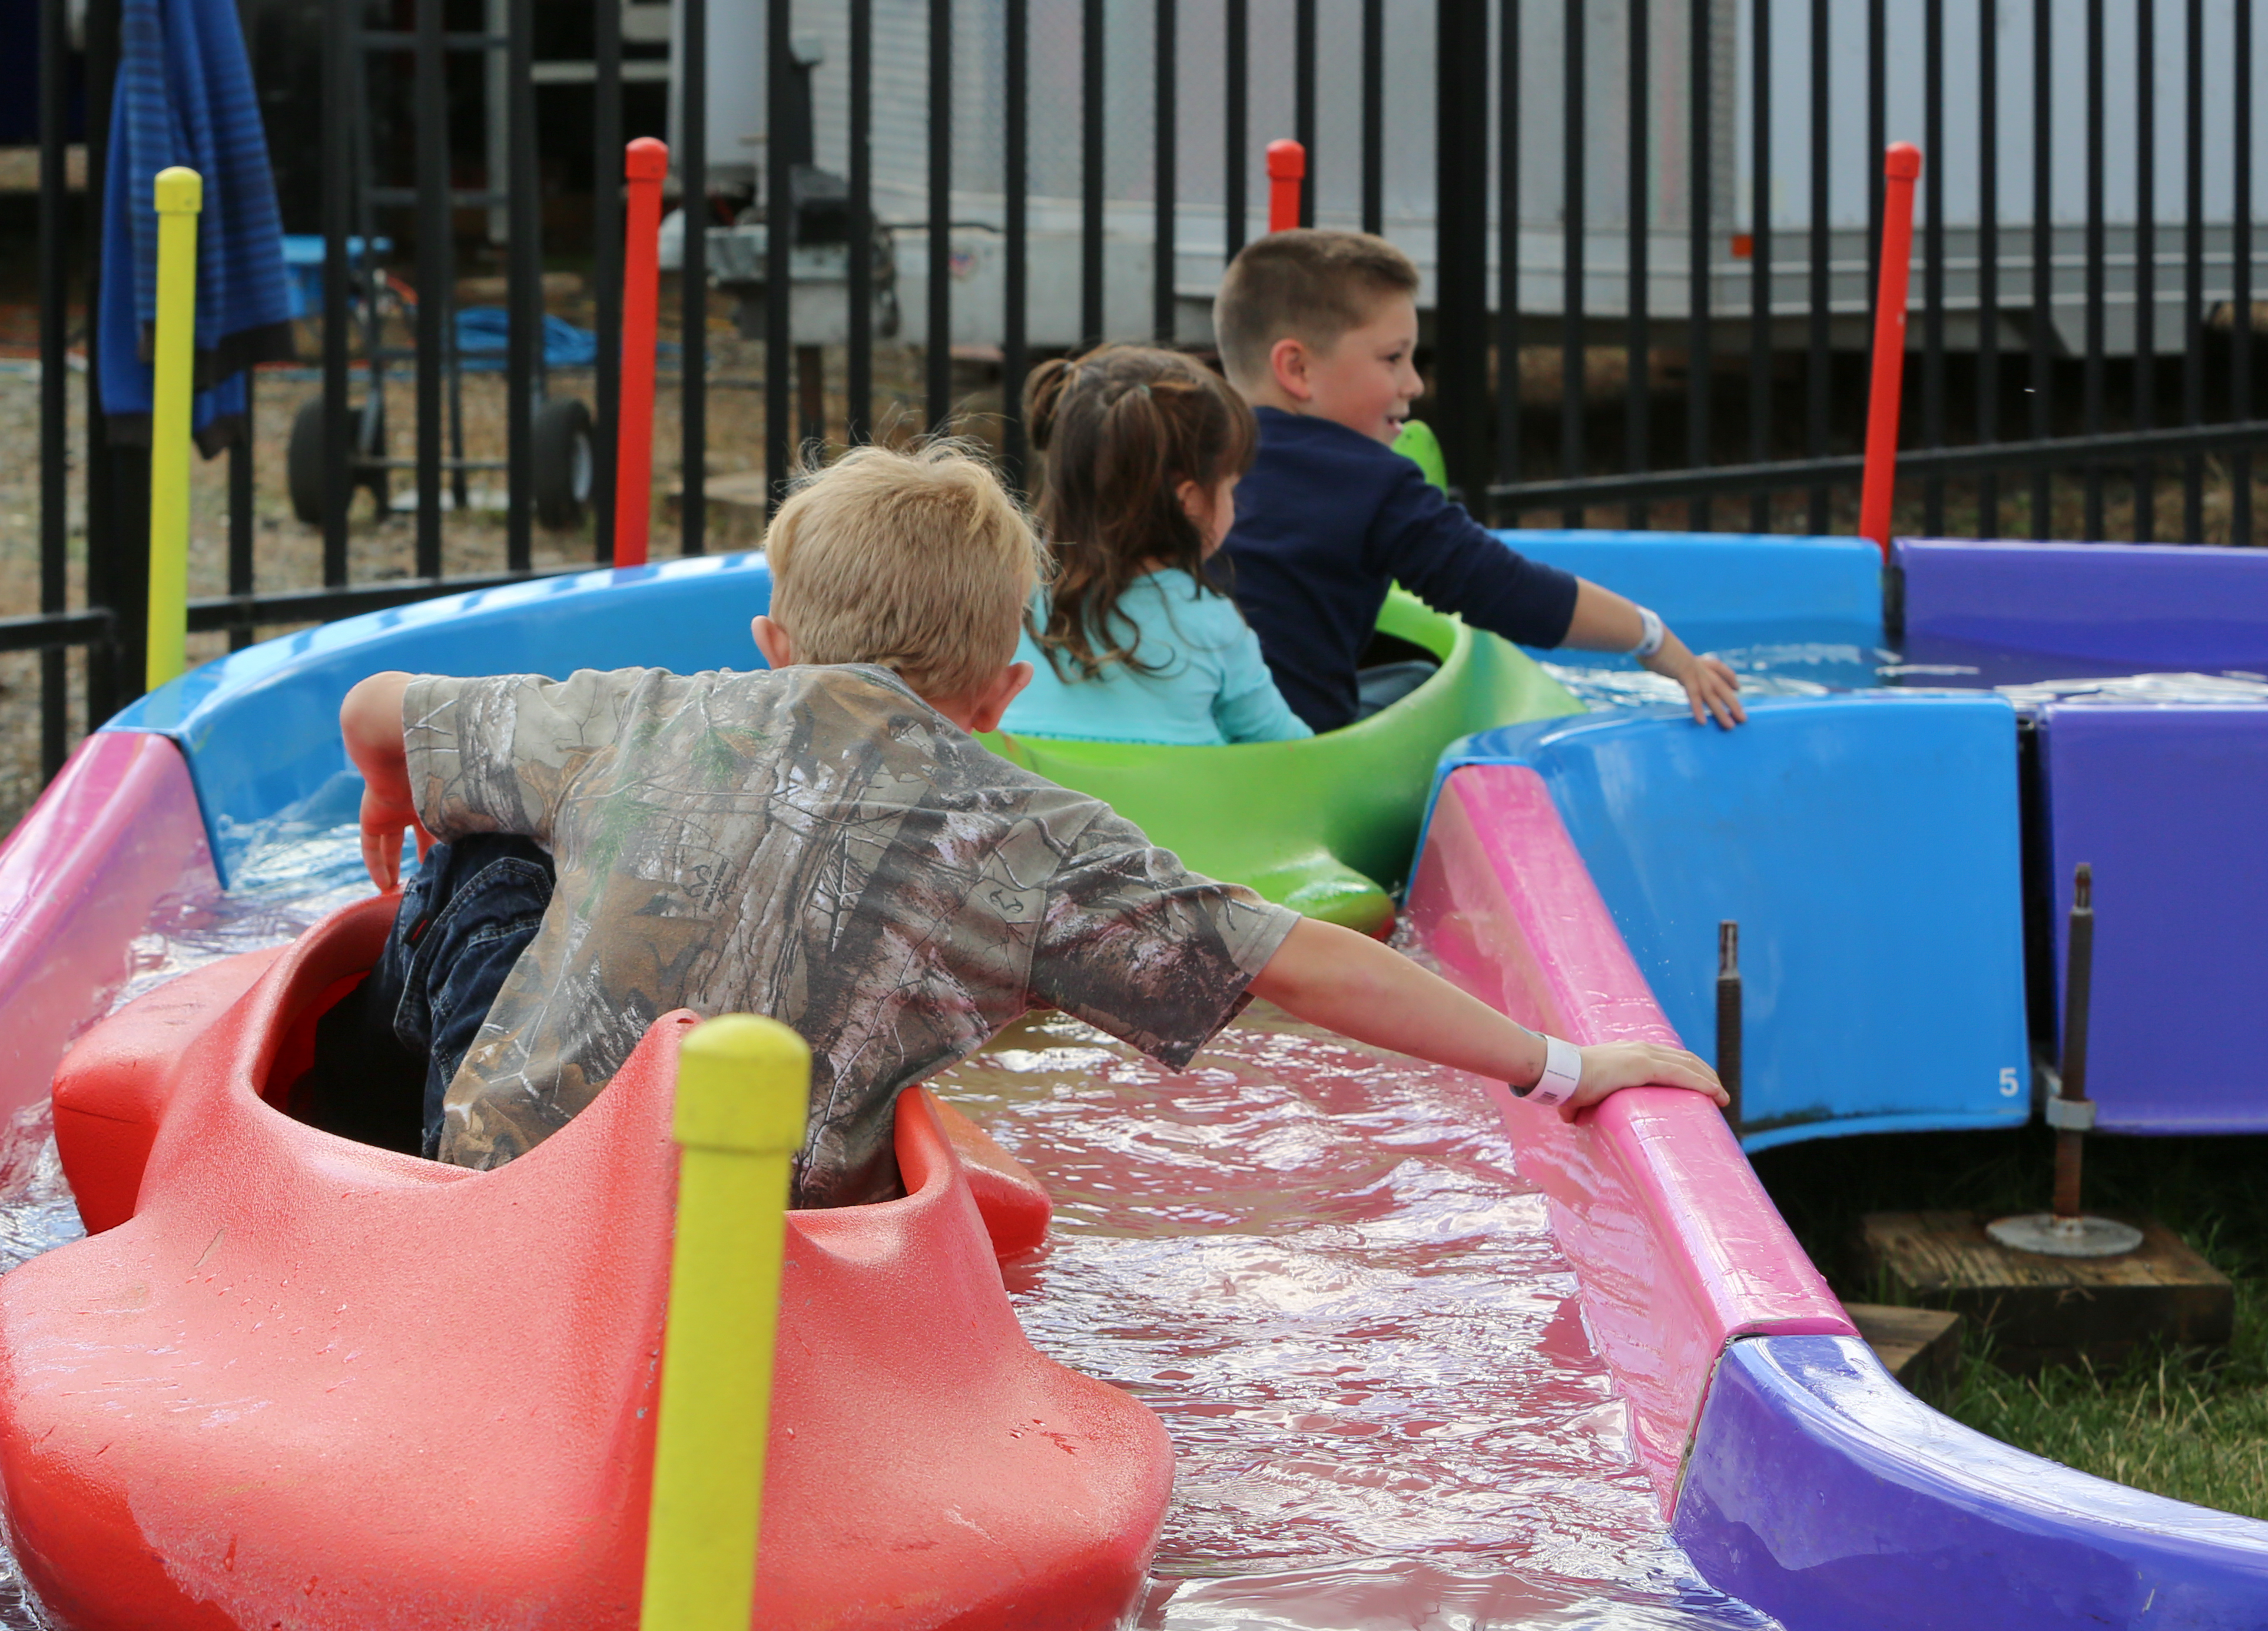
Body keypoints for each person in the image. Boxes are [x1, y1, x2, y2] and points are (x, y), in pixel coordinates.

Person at [334, 440, 1724, 1206]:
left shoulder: (644, 707)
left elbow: (379, 701)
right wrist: (1558, 1060)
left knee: (490, 839)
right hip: (774, 1235)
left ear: (771, 641)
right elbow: (1297, 960)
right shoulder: (1029, 836)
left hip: (507, 1196)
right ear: (1003, 692)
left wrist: (395, 790)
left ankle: (356, 1125)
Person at [1211, 227, 1748, 734]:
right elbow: (1511, 591)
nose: (1415, 383)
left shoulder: (1191, 457)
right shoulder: (1373, 482)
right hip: (1293, 752)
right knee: (1430, 681)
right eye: (1393, 359)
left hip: (1182, 735)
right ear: (1297, 369)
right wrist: (1654, 639)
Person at [1004, 345, 1313, 747]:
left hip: (1031, 808)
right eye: (1230, 489)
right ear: (1189, 502)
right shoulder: (1213, 625)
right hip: (1174, 810)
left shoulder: (1008, 602)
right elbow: (1287, 749)